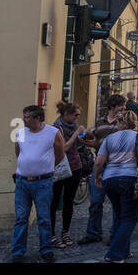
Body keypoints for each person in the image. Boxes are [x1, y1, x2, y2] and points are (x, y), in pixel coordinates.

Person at [93, 109, 138, 263]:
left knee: (119, 215)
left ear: (119, 122)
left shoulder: (109, 138)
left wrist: (97, 176)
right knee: (130, 218)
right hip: (129, 178)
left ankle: (124, 252)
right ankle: (114, 254)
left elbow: (99, 161)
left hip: (110, 178)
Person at [11, 104, 65, 263]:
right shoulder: (20, 133)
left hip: (43, 182)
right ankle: (18, 251)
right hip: (22, 182)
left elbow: (60, 154)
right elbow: (18, 152)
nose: (23, 119)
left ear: (38, 118)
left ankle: (46, 250)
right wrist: (26, 165)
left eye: (27, 117)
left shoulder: (53, 132)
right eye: (24, 116)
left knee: (43, 218)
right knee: (21, 218)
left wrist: (46, 167)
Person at [76, 93, 127, 246]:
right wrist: (87, 143)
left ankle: (115, 234)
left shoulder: (123, 122)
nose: (123, 108)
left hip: (117, 167)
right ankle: (93, 233)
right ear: (112, 106)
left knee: (116, 204)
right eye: (121, 105)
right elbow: (98, 142)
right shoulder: (100, 122)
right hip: (100, 165)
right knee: (96, 202)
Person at [51, 101, 85, 247]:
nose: (77, 118)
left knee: (69, 201)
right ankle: (51, 234)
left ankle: (65, 232)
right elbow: (63, 147)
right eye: (75, 115)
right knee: (54, 201)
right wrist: (76, 134)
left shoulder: (74, 126)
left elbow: (77, 144)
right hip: (59, 168)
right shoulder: (55, 128)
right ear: (66, 114)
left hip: (75, 167)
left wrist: (86, 137)